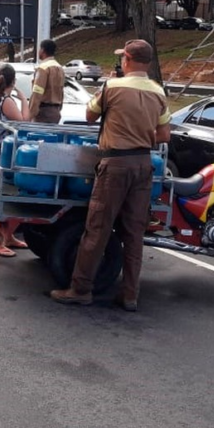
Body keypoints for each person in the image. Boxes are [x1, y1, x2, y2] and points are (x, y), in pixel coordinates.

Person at [51, 39, 171, 312]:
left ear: (126, 60)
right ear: (148, 63)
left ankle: (80, 289)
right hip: (143, 166)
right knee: (133, 233)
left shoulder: (112, 86)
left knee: (97, 230)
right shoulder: (158, 91)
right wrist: (140, 133)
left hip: (114, 165)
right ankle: (130, 295)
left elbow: (90, 116)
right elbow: (164, 135)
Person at [0, 64, 31, 257]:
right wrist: (24, 100)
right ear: (13, 81)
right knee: (8, 196)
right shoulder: (7, 100)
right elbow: (23, 122)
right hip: (7, 152)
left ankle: (7, 238)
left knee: (0, 195)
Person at [28, 39, 65, 123]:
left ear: (42, 50)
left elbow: (37, 94)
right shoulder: (60, 68)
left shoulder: (43, 68)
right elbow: (61, 92)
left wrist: (30, 115)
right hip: (56, 112)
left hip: (43, 113)